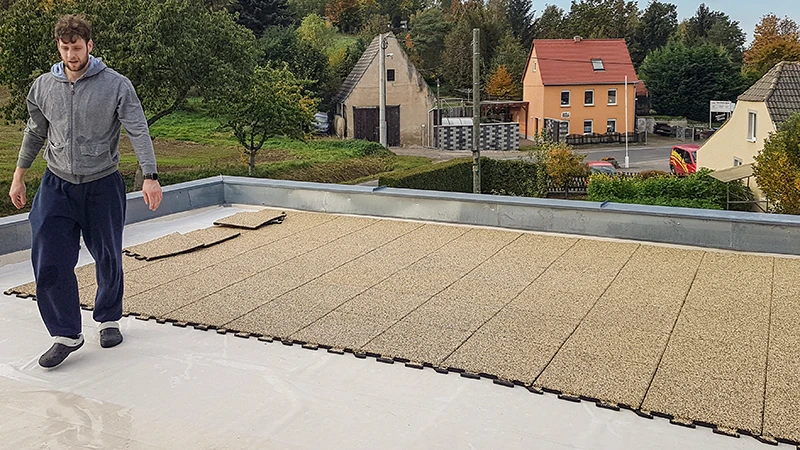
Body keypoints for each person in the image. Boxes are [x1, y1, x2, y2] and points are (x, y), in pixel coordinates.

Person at [7, 15, 163, 368]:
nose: (71, 54)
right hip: (56, 182)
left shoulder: (116, 85)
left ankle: (108, 317)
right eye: (65, 48)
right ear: (58, 47)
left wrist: (150, 175)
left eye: (77, 48)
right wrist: (19, 176)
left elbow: (138, 129)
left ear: (90, 46)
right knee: (48, 257)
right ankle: (65, 333)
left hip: (101, 183)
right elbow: (34, 132)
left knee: (107, 253)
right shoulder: (43, 86)